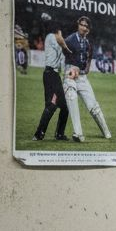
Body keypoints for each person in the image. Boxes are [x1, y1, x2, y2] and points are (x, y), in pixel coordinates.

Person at [62, 16, 113, 142]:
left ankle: (106, 132)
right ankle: (77, 134)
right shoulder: (69, 40)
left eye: (86, 26)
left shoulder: (88, 43)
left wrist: (85, 69)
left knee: (93, 107)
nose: (83, 27)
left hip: (82, 77)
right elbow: (62, 55)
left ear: (88, 30)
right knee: (71, 97)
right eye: (82, 24)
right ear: (78, 25)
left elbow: (89, 58)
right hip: (70, 73)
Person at [33, 13, 71, 141]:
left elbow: (63, 59)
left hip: (55, 76)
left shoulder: (56, 41)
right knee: (51, 105)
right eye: (59, 32)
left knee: (65, 107)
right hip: (50, 75)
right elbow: (61, 41)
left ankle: (59, 134)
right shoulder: (51, 37)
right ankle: (39, 134)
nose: (61, 34)